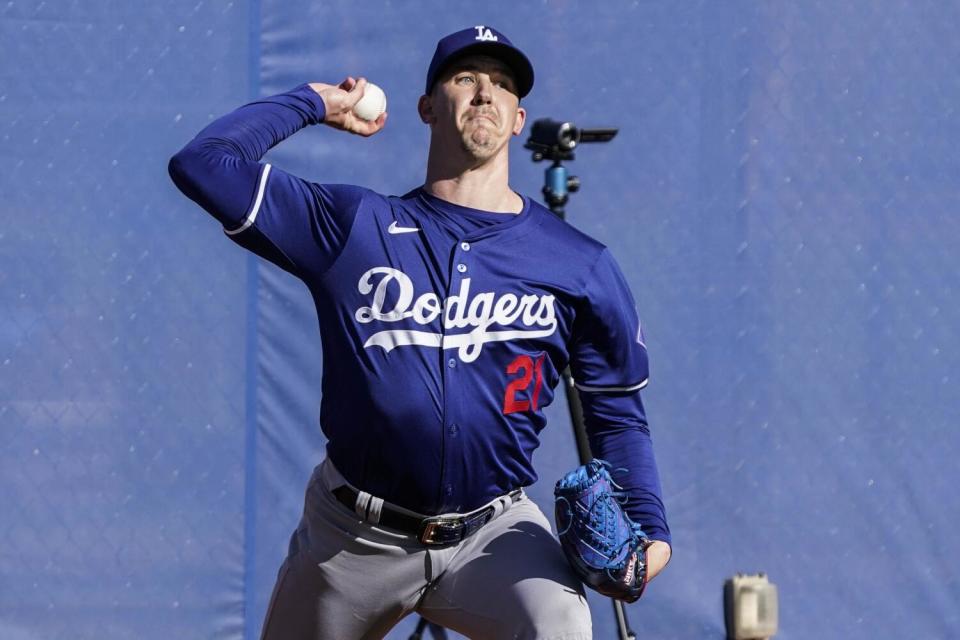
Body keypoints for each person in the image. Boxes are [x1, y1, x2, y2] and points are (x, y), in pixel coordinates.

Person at [169, 25, 670, 640]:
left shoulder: (579, 263)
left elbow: (615, 409)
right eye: (465, 78)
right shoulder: (354, 226)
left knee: (561, 624)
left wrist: (651, 531)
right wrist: (314, 102)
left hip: (495, 533)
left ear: (518, 119)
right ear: (428, 108)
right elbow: (203, 163)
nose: (485, 91)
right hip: (352, 539)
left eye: (503, 83)